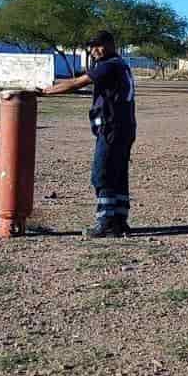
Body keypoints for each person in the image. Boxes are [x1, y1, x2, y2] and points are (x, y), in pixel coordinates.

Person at [38, 31, 136, 237]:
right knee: (118, 173)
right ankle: (119, 220)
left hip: (112, 127)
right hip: (124, 127)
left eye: (98, 46)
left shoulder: (108, 66)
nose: (94, 51)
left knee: (102, 173)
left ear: (110, 44)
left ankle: (106, 222)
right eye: (91, 47)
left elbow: (76, 83)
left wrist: (45, 91)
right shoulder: (120, 64)